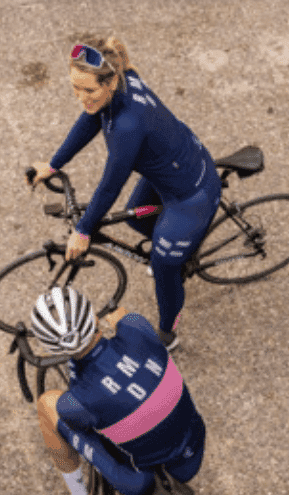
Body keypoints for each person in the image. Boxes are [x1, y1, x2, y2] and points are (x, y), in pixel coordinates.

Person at [28, 36, 222, 352]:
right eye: (75, 88)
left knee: (164, 267)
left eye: (88, 90)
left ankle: (169, 334)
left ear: (111, 82)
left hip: (192, 196)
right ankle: (178, 248)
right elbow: (89, 120)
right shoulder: (120, 84)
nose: (81, 97)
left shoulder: (128, 126)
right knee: (135, 218)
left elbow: (110, 185)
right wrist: (53, 165)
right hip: (174, 170)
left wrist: (83, 230)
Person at [32, 287, 206, 495]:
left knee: (48, 404)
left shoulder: (75, 403)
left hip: (140, 479)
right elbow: (122, 316)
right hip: (194, 448)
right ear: (94, 319)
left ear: (51, 349)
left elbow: (81, 415)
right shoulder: (136, 326)